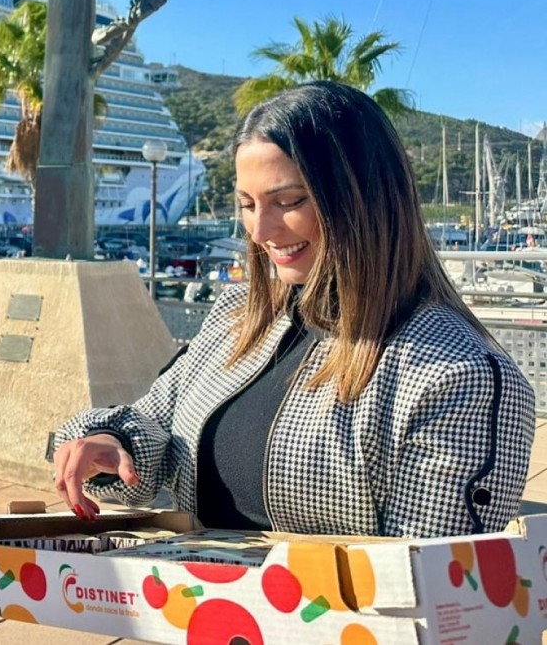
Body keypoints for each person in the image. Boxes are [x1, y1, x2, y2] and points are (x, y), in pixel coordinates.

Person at [52, 81, 535, 539]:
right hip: (196, 615)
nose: (260, 231)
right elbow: (154, 422)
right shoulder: (239, 314)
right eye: (246, 204)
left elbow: (428, 586)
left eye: (287, 201)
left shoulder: (461, 376)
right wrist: (111, 443)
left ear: (364, 197)